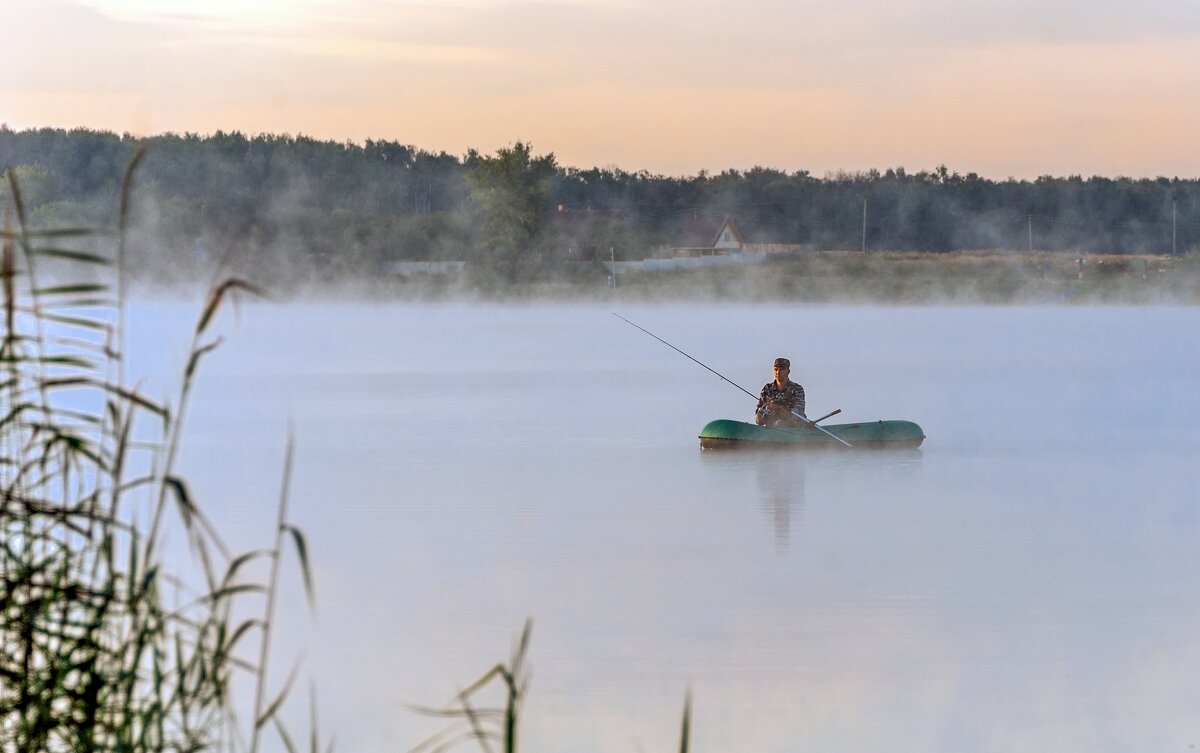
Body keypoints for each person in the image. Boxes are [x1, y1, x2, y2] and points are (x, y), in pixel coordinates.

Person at [755, 357, 811, 428]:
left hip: (793, 431)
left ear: (788, 371)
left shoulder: (797, 389)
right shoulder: (767, 389)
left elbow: (799, 416)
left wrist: (779, 409)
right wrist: (759, 417)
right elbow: (759, 412)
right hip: (770, 432)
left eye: (781, 369)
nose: (778, 372)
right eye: (776, 370)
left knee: (780, 424)